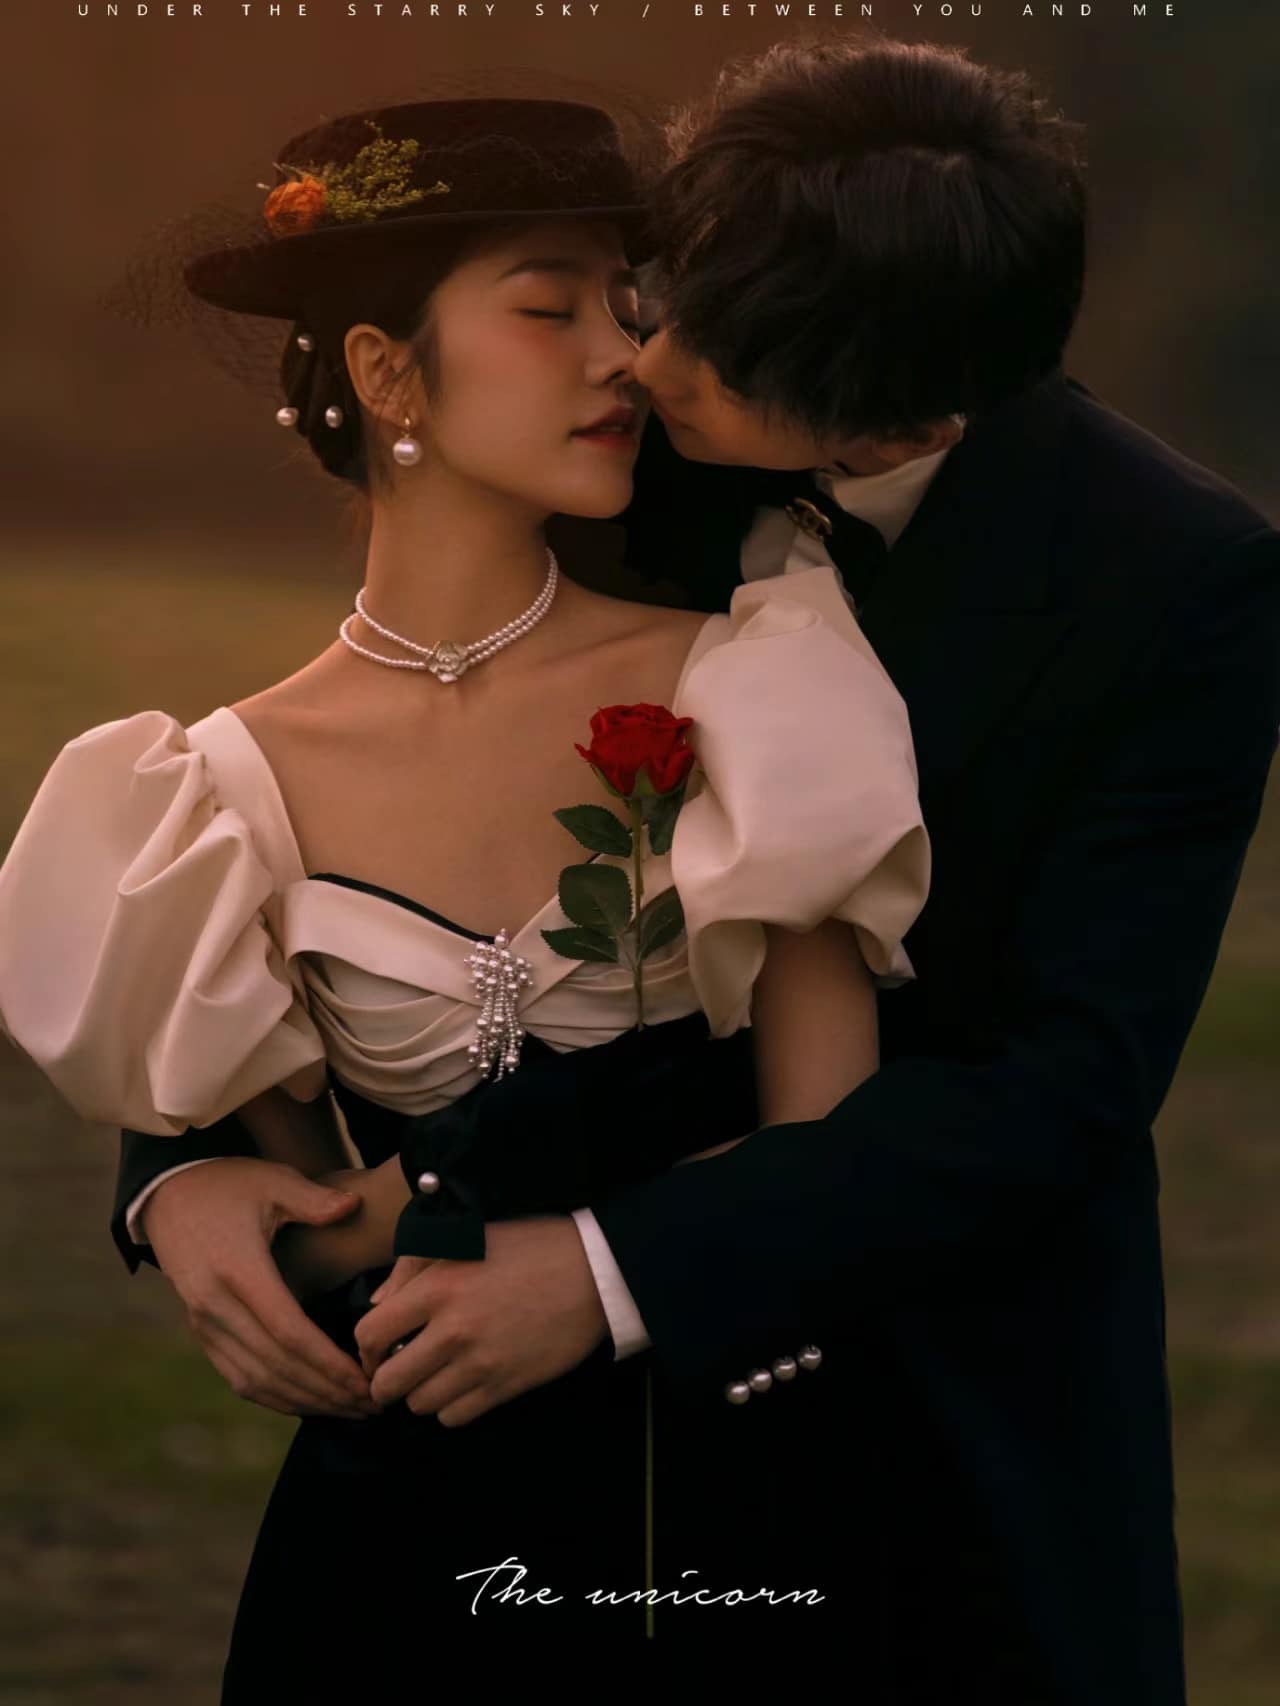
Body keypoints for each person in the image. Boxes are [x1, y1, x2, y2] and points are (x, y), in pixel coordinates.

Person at [293, 41, 1280, 1705]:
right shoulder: (618, 446)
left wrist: (615, 1268)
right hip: (520, 1402)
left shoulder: (1181, 586)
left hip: (941, 1395)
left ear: (913, 405)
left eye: (719, 351)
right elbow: (355, 774)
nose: (648, 358)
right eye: (669, 293)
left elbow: (1061, 1088)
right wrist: (180, 1165)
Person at [0, 95, 931, 1683]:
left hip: (724, 1495)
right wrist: (198, 1190)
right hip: (403, 1545)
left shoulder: (755, 684)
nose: (624, 356)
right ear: (385, 373)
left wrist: (514, 1228)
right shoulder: (211, 796)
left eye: (627, 307)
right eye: (551, 309)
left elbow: (833, 1168)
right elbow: (317, 1259)